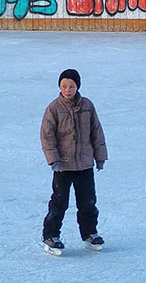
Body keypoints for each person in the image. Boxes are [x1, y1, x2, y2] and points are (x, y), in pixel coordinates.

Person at [40, 68, 108, 255]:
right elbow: (47, 136)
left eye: (71, 86)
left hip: (85, 164)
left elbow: (96, 132)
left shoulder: (87, 106)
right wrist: (53, 160)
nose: (67, 89)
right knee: (59, 202)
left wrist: (100, 157)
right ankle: (51, 235)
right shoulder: (54, 108)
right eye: (64, 86)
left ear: (77, 86)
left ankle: (90, 233)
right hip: (63, 165)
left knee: (88, 202)